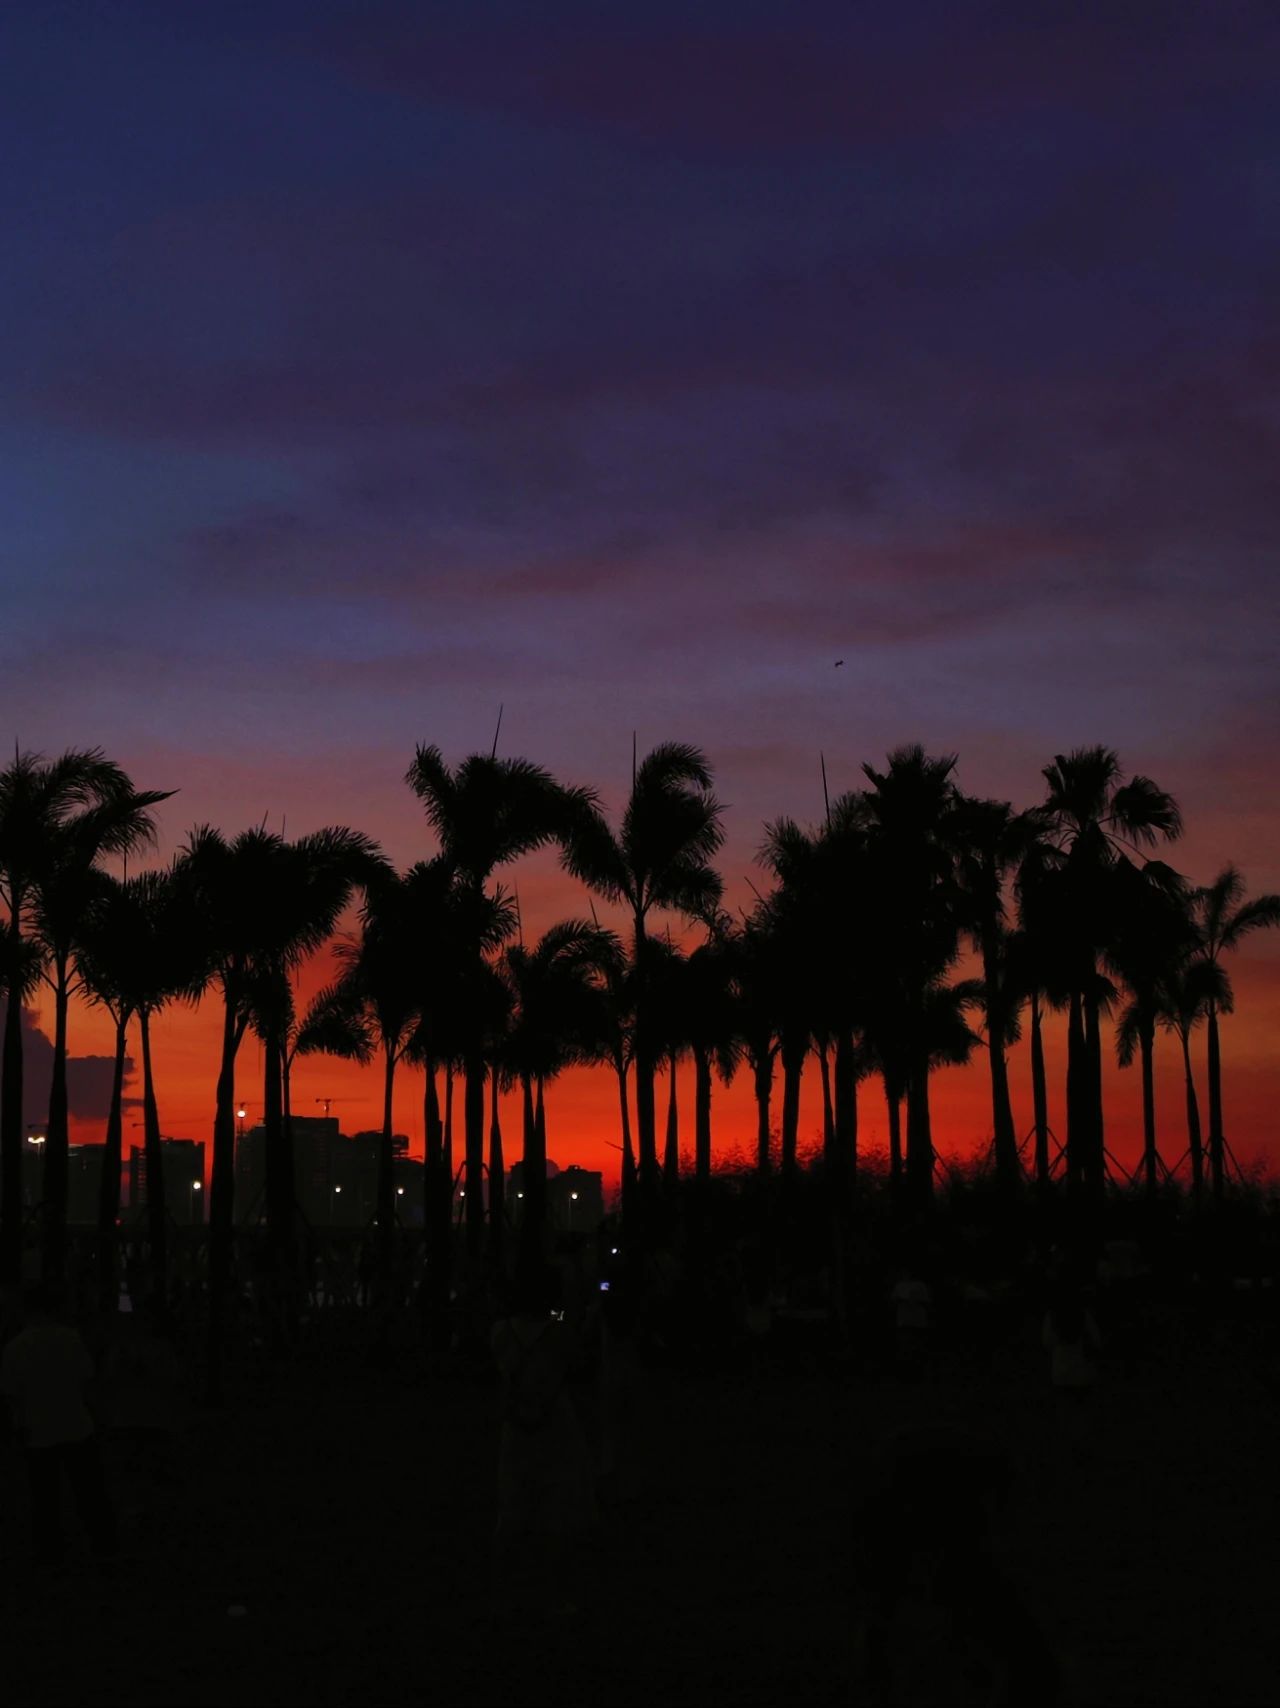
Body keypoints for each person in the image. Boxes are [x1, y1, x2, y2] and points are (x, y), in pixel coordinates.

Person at [491, 1262, 596, 1616]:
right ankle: (557, 1590)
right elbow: (579, 1362)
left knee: (513, 1505)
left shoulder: (500, 1332)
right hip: (554, 1421)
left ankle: (507, 1587)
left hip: (515, 1424)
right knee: (558, 1507)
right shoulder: (561, 1334)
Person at [0, 1285, 118, 1572]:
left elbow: (11, 1394)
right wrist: (98, 1415)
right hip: (75, 1423)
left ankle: (49, 1551)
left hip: (38, 1429)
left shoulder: (16, 1347)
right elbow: (86, 1381)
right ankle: (102, 1543)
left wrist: (18, 1425)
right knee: (89, 1489)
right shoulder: (71, 1339)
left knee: (45, 1497)